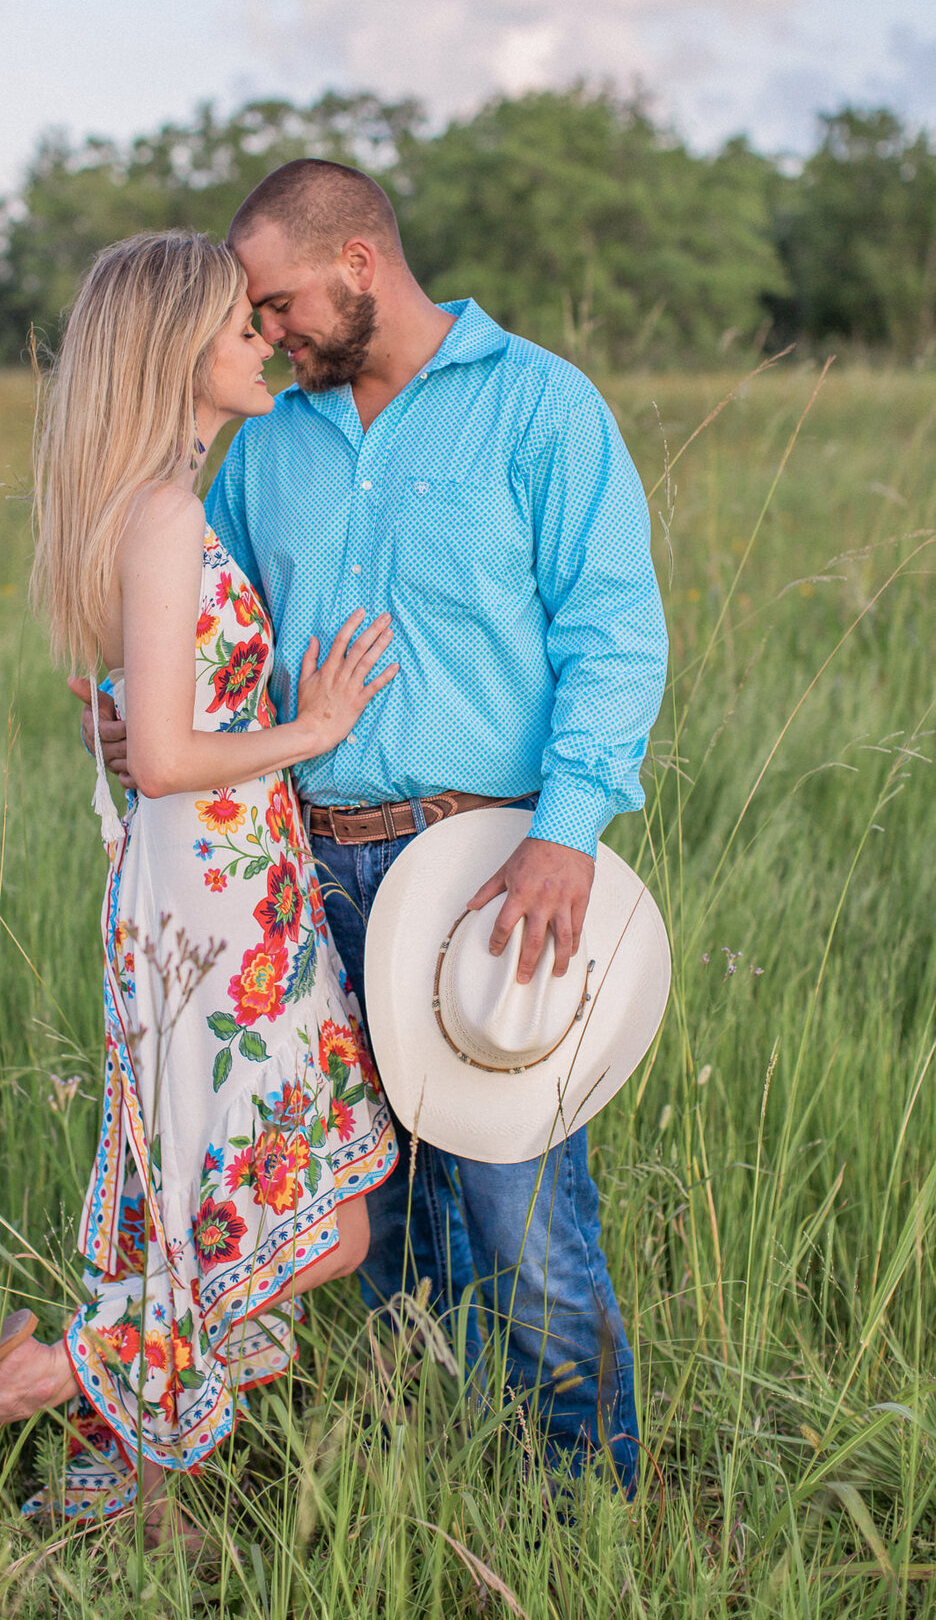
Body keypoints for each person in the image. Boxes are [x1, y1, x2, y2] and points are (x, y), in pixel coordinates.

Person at [82, 160, 668, 1496]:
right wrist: (139, 724)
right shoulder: (272, 447)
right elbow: (202, 634)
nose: (267, 330)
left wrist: (568, 830)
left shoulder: (538, 408)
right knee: (375, 1211)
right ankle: (426, 1479)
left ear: (358, 260)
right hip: (299, 874)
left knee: (522, 1216)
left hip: (484, 863)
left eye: (278, 301)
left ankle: (586, 1506)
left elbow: (616, 636)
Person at [0, 231, 398, 1538]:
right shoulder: (166, 513)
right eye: (243, 327)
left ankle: (116, 1481)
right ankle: (61, 1374)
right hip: (215, 915)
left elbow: (137, 725)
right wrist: (317, 723)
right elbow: (174, 756)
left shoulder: (150, 505)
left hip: (219, 899)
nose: (264, 345)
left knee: (207, 1213)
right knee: (324, 1229)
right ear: (181, 346)